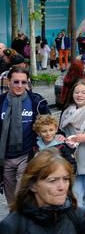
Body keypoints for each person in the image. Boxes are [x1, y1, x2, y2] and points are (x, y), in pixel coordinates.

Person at [1, 66, 50, 207]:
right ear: (8, 81)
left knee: (21, 196)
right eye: (16, 82)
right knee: (12, 202)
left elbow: (49, 123)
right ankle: (17, 225)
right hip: (5, 159)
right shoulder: (1, 102)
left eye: (23, 82)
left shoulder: (36, 101)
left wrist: (58, 135)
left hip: (27, 156)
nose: (20, 86)